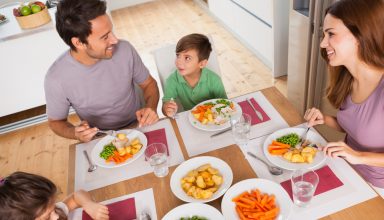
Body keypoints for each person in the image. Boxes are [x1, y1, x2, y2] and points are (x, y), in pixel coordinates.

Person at [45, 0, 160, 143]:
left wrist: (151, 108)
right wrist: (75, 133)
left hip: (140, 126)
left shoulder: (125, 49)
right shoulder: (56, 79)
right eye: (105, 37)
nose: (115, 40)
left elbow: (149, 84)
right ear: (79, 43)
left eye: (111, 31)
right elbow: (56, 122)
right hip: (100, 139)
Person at [304, 0, 384, 196]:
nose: (323, 43)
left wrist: (359, 156)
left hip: (377, 189)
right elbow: (358, 128)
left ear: (360, 35)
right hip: (347, 171)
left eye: (331, 34)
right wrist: (326, 119)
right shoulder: (348, 79)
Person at [162, 33, 227, 117]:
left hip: (214, 118)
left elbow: (225, 104)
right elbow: (165, 106)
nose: (178, 62)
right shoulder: (172, 80)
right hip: (190, 119)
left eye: (187, 58)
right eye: (178, 56)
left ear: (202, 64)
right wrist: (166, 109)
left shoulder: (214, 80)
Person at [0, 172, 109, 220]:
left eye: (53, 208)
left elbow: (77, 196)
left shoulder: (54, 213)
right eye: (47, 218)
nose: (56, 216)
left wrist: (88, 204)